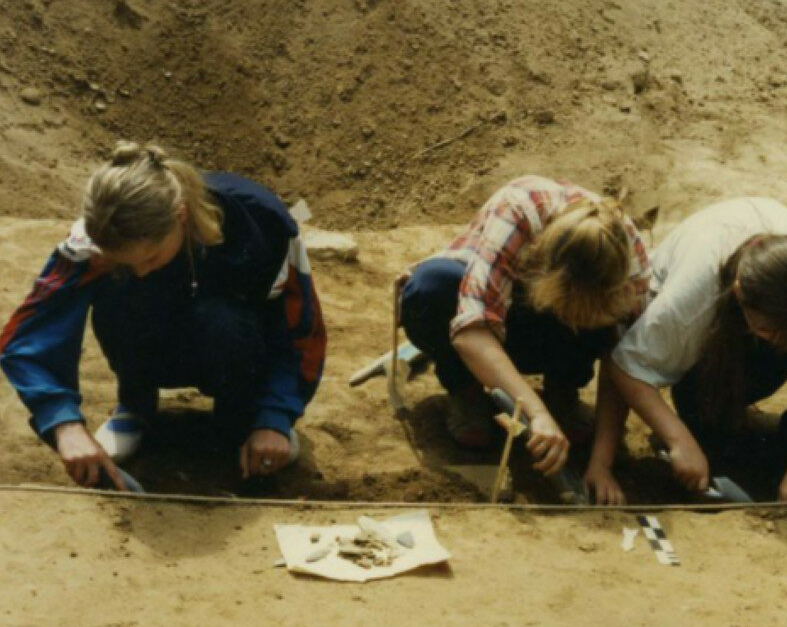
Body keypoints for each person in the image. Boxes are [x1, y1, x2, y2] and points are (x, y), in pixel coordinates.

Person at [0, 142, 326, 489]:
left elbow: (301, 331)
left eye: (151, 258)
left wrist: (275, 417)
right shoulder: (93, 240)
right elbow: (27, 336)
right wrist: (63, 426)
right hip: (148, 344)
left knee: (223, 318)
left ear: (181, 217)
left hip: (229, 345)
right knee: (121, 290)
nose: (141, 272)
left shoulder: (258, 222)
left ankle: (246, 419)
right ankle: (135, 405)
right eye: (127, 263)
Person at [592, 197, 787, 502]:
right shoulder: (692, 296)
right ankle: (709, 420)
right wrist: (678, 440)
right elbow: (626, 363)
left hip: (767, 290)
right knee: (712, 438)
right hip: (704, 331)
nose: (781, 341)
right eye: (769, 330)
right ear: (740, 294)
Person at [398, 175, 650, 492]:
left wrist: (602, 463)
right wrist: (537, 414)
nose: (575, 322)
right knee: (432, 288)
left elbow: (623, 360)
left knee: (609, 325)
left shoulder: (629, 260)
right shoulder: (517, 210)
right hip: (505, 315)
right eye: (571, 309)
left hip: (547, 330)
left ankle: (564, 390)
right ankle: (466, 390)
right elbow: (471, 331)